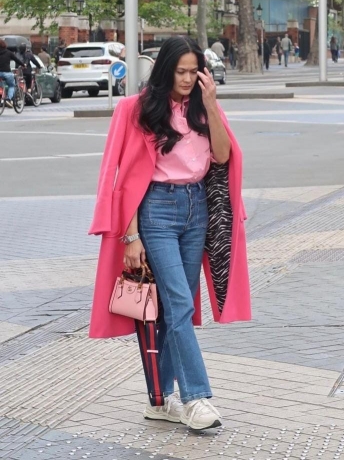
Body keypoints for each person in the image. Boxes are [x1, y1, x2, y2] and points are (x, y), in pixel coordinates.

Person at [88, 36, 251, 431]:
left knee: (168, 312)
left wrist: (211, 103)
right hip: (156, 211)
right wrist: (130, 235)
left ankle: (159, 401)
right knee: (181, 305)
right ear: (165, 70)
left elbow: (224, 155)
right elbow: (117, 176)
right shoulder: (135, 109)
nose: (187, 78)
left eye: (194, 71)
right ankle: (196, 398)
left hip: (197, 210)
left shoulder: (202, 107)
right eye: (180, 71)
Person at [0, 38, 25, 108]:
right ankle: (9, 99)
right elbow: (17, 60)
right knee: (11, 85)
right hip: (7, 72)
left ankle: (2, 97)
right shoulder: (9, 52)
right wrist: (23, 65)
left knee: (1, 86)